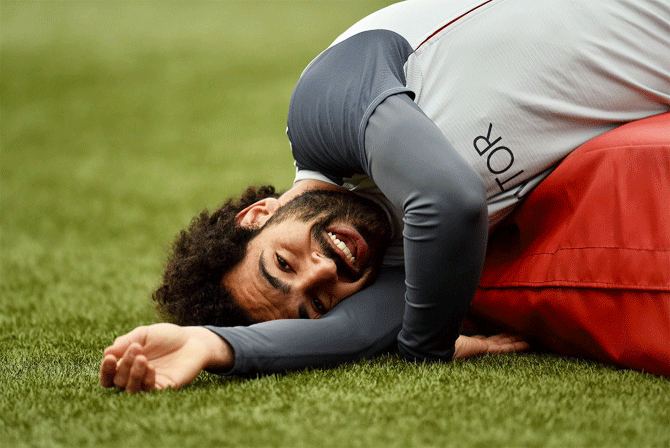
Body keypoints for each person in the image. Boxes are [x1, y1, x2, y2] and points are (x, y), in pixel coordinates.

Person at [101, 0, 670, 392]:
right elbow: (349, 334)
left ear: (259, 213)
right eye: (317, 300)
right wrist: (211, 345)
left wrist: (426, 348)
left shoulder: (322, 109)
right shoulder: (397, 258)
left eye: (283, 262)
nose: (321, 273)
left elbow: (449, 201)